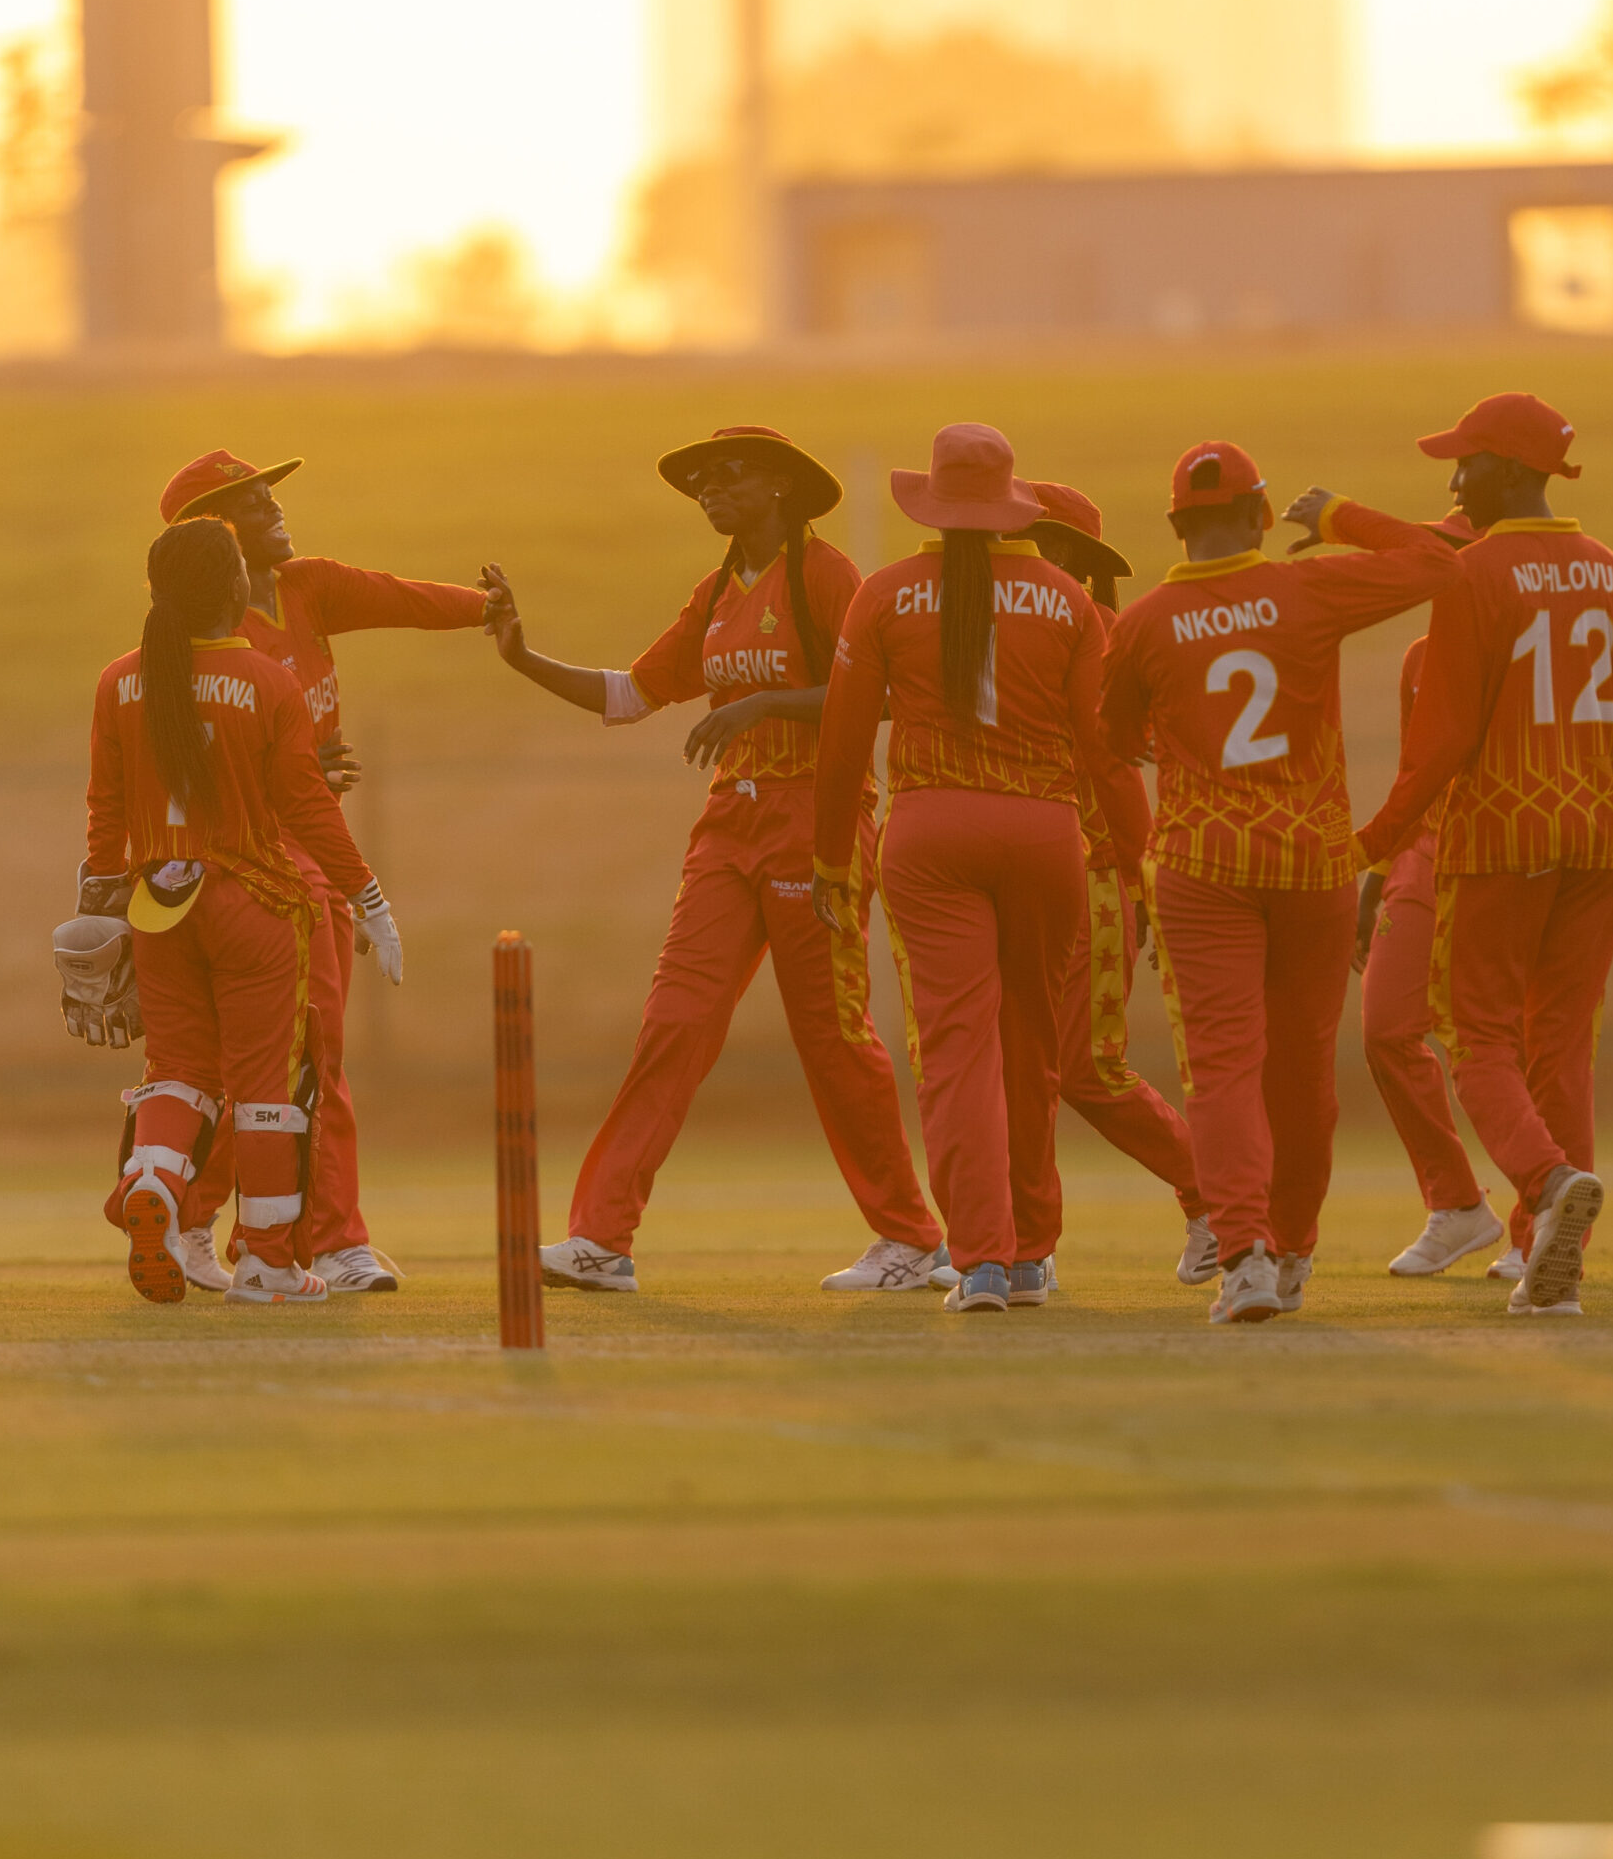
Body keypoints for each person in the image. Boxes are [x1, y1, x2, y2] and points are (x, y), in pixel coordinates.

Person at [482, 426, 948, 1292]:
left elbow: (875, 693)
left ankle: (913, 1241)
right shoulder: (716, 591)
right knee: (674, 1023)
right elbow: (632, 695)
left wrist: (760, 702)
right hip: (729, 826)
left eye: (726, 476)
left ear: (778, 486)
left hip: (818, 818)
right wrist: (521, 656)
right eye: (698, 483)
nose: (708, 491)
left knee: (834, 1036)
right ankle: (601, 1240)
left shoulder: (823, 575)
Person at [1356, 393, 1613, 1317]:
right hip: (1591, 842)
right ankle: (1545, 1268)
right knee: (1561, 1050)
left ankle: (1544, 1182)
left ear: (1511, 470)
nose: (1453, 481)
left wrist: (1368, 850)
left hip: (1496, 838)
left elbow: (1441, 740)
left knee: (1479, 1040)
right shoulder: (1607, 571)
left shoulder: (1474, 575)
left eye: (1465, 464)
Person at [1101, 443, 1462, 1325]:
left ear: (1177, 525)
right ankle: (1293, 1249)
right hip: (1312, 864)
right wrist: (1339, 517)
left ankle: (1245, 1253)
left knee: (1223, 1069)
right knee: (1302, 1074)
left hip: (1202, 865)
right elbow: (1436, 564)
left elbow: (1112, 736)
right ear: (1262, 516)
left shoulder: (1145, 621)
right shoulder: (1307, 591)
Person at [812, 423, 1151, 1315]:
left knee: (957, 1050)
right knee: (1034, 1049)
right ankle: (1033, 1252)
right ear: (1009, 504)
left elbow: (843, 743)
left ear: (929, 497)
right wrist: (1137, 861)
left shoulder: (884, 595)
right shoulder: (1069, 603)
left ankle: (983, 1261)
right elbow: (1107, 753)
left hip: (929, 834)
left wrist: (825, 859)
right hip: (1046, 838)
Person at [158, 449, 489, 1294]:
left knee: (312, 1054)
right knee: (277, 1063)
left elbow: (399, 597)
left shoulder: (309, 588)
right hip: (256, 863)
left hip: (313, 849)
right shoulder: (196, 644)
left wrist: (486, 608)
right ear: (214, 534)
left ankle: (291, 1235)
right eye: (254, 503)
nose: (276, 509)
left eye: (272, 495)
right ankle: (233, 1225)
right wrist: (297, 766)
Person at [83, 516, 402, 1306]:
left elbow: (106, 809)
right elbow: (307, 805)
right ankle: (265, 1261)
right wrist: (368, 896)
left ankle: (153, 1180)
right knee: (269, 1086)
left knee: (178, 1071)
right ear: (233, 587)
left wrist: (96, 908)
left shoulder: (119, 678)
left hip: (158, 903)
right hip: (257, 902)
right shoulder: (264, 678)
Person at [1029, 481, 1212, 1285]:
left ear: (1071, 557)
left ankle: (1219, 1199)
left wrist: (1142, 885)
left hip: (1095, 874)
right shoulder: (998, 622)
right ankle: (1009, 1244)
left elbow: (1115, 767)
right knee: (1010, 1061)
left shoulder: (1096, 635)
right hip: (1023, 870)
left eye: (1033, 541)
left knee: (1085, 1066)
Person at [1354, 516, 1519, 1280]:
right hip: (1423, 855)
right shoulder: (1419, 657)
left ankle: (1539, 1223)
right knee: (1387, 1027)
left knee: (1506, 1043)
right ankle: (1456, 1204)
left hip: (1502, 859)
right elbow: (1414, 769)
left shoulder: (1523, 645)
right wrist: (1379, 869)